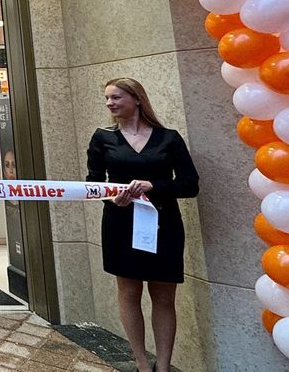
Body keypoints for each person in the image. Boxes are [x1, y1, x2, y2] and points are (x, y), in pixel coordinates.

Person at [88, 78, 199, 372]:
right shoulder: (102, 138)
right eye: (107, 98)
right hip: (121, 223)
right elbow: (93, 183)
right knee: (128, 292)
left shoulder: (169, 139)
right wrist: (112, 198)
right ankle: (141, 363)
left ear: (137, 99)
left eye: (116, 97)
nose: (109, 103)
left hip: (163, 224)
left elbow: (190, 185)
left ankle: (163, 365)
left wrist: (154, 186)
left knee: (163, 296)